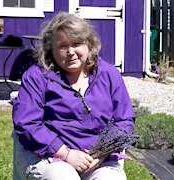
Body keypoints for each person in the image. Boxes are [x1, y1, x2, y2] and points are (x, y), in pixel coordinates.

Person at [12, 12, 135, 180]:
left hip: (97, 158)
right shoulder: (37, 76)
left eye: (77, 43)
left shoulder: (109, 74)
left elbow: (124, 120)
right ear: (50, 50)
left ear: (89, 44)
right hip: (49, 156)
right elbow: (27, 123)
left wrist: (102, 152)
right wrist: (66, 154)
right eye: (62, 46)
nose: (71, 52)